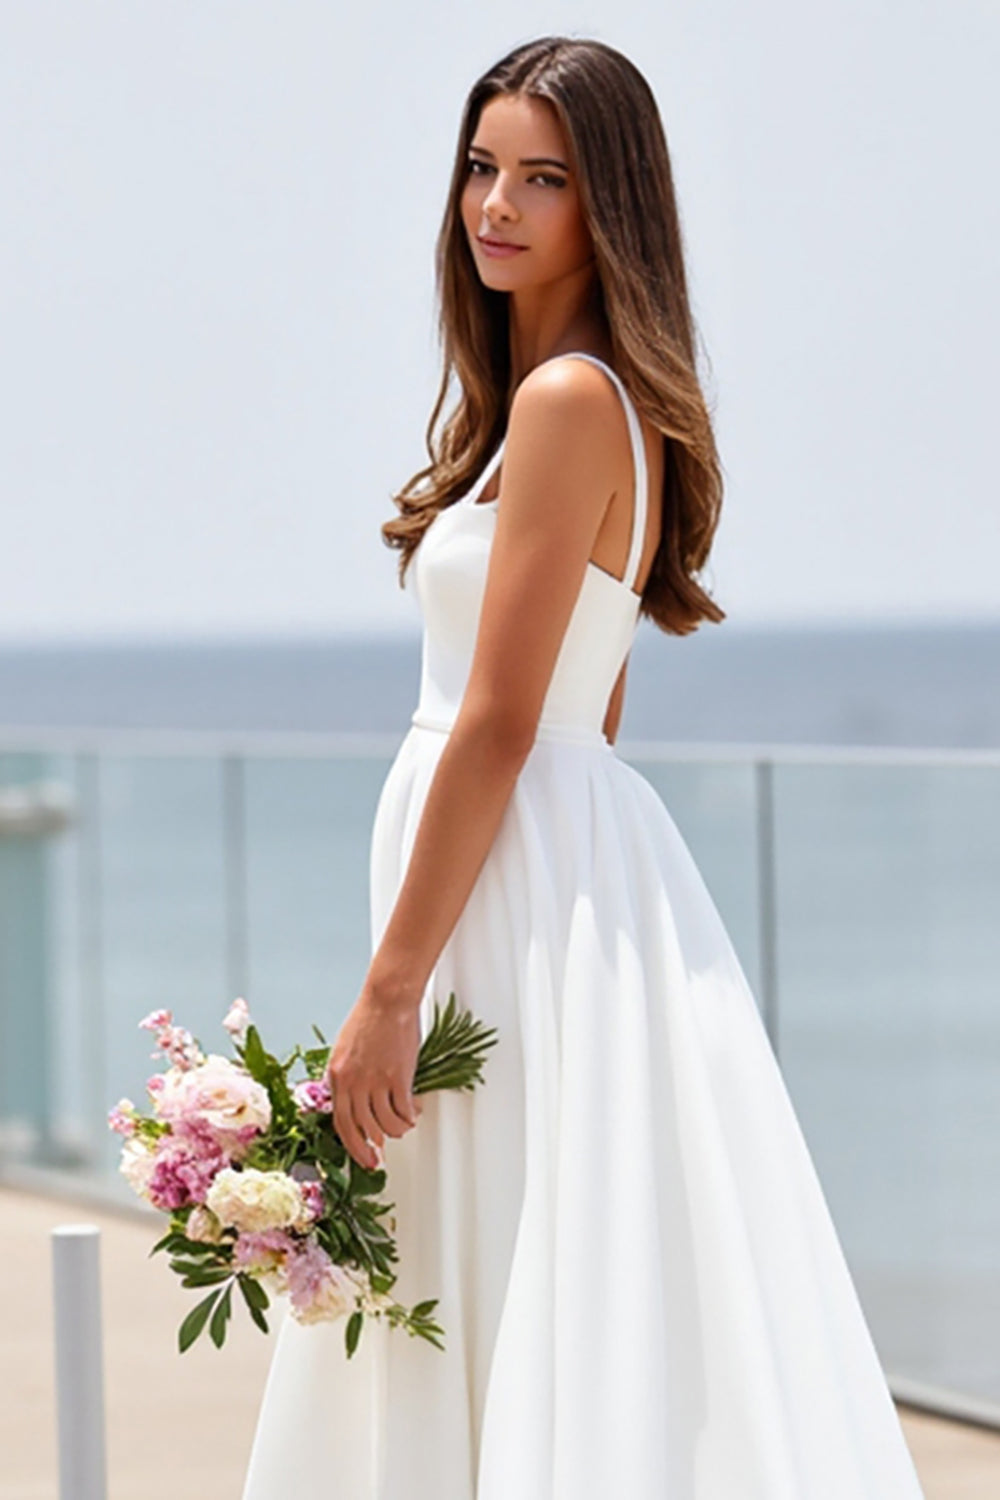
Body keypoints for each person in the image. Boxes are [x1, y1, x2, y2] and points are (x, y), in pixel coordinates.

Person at [241, 36, 926, 1499]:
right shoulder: (588, 401)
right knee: (538, 1232)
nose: (497, 204)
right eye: (482, 168)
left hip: (511, 869)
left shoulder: (566, 403)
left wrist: (388, 986)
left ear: (608, 202)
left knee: (502, 1225)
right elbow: (592, 711)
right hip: (549, 866)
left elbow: (503, 721)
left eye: (542, 179)